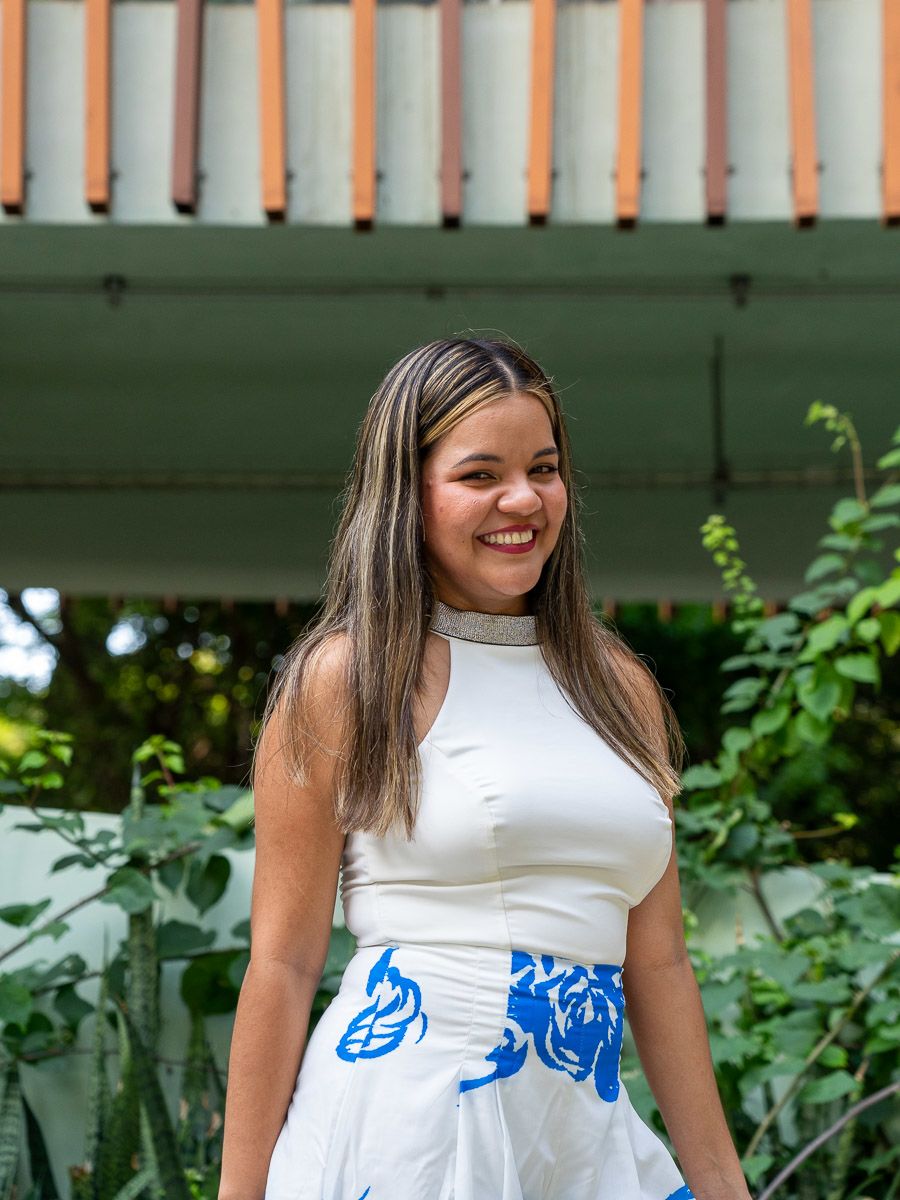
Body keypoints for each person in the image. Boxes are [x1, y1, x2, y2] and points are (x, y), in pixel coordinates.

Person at [218, 336, 753, 1200]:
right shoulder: (345, 679)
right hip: (409, 1133)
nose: (523, 498)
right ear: (409, 496)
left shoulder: (620, 688)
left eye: (544, 467)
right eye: (479, 475)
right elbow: (282, 963)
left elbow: (657, 966)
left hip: (581, 1136)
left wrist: (725, 1187)